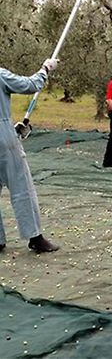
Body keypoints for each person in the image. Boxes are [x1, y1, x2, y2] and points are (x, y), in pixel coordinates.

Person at [0, 59, 60, 253]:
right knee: (21, 187)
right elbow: (30, 85)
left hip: (5, 132)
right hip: (3, 140)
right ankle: (35, 237)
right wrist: (45, 69)